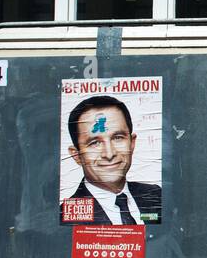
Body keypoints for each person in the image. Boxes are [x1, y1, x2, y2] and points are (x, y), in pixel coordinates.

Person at [60, 95, 161, 225]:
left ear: (132, 143)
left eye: (118, 138)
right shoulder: (64, 218)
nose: (109, 154)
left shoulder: (156, 195)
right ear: (76, 155)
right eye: (94, 143)